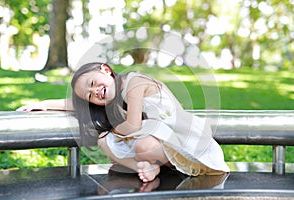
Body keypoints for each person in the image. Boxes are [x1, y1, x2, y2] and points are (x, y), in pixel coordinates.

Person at [17, 62, 229, 182]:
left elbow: (134, 126)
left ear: (106, 69)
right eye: (90, 95)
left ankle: (157, 167)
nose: (95, 92)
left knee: (138, 143)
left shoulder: (135, 82)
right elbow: (77, 105)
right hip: (157, 137)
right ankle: (148, 168)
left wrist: (113, 130)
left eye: (93, 83)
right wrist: (45, 103)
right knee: (103, 139)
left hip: (181, 135)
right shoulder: (113, 97)